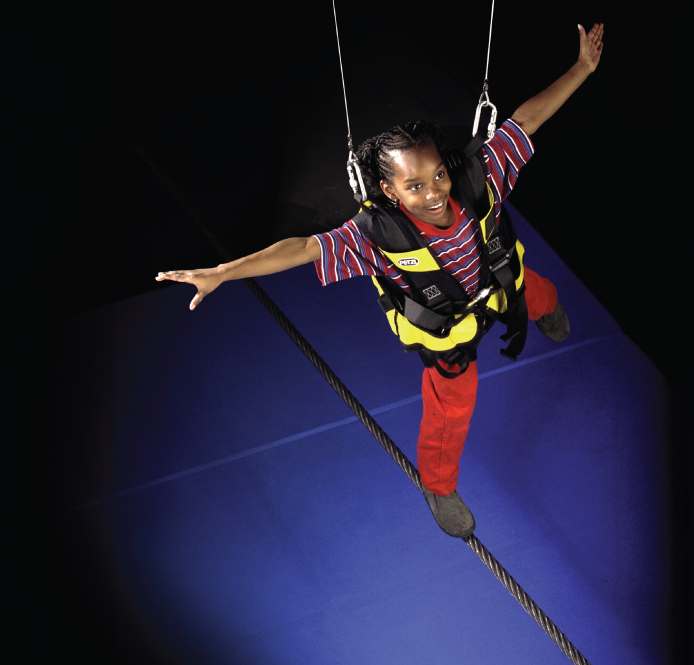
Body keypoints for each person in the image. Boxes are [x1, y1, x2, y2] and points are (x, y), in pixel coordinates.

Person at [156, 23, 604, 538]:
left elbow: (527, 119)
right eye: (414, 185)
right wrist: (223, 272)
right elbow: (302, 249)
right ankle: (438, 484)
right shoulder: (374, 237)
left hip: (502, 284)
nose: (434, 192)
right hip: (447, 332)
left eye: (437, 174)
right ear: (389, 191)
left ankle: (545, 311)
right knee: (449, 414)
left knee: (535, 293)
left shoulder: (481, 175)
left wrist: (583, 68)